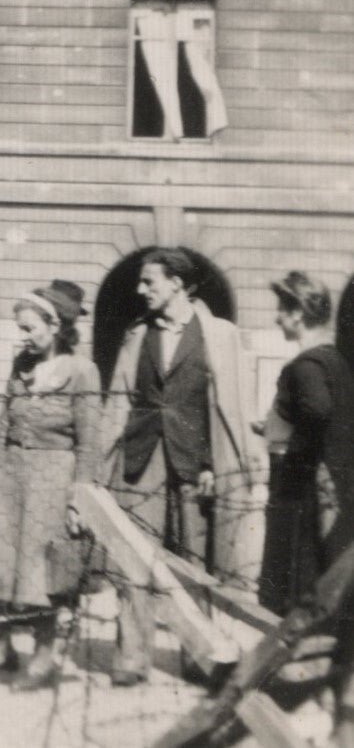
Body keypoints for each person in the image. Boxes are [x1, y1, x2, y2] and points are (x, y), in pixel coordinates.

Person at [104, 246, 252, 686]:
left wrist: (212, 463)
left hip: (196, 465)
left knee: (195, 561)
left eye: (149, 281)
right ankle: (131, 655)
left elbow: (227, 408)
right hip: (141, 459)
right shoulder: (137, 336)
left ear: (177, 283)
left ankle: (201, 654)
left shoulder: (219, 335)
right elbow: (119, 400)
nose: (140, 289)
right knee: (134, 555)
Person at [0, 282, 102, 690]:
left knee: (42, 574)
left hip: (54, 480)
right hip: (11, 475)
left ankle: (43, 660)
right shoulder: (19, 367)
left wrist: (79, 498)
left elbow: (90, 441)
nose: (23, 337)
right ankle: (0, 651)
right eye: (20, 328)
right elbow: (4, 422)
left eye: (30, 329)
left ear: (55, 325)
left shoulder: (82, 372)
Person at [259, 273, 345, 612]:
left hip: (297, 490)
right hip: (323, 488)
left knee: (288, 587)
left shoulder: (304, 366)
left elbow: (318, 412)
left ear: (298, 313)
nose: (277, 317)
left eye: (282, 308)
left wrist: (295, 452)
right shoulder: (335, 361)